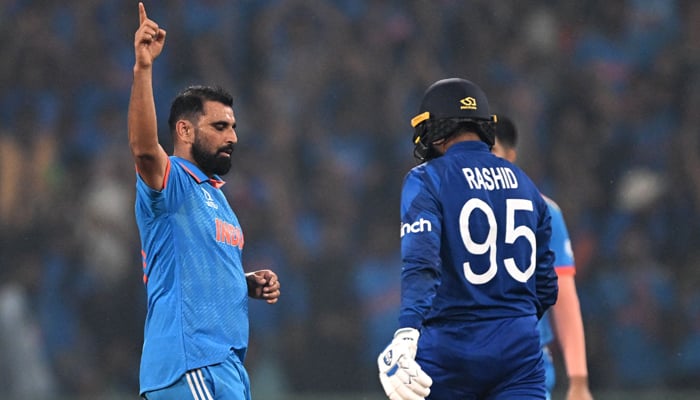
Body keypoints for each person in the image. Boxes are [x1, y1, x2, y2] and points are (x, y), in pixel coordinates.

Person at [128, 3, 281, 399]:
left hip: (224, 366)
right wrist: (143, 68)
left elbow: (192, 266)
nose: (232, 137)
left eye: (233, 127)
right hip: (192, 364)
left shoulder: (215, 197)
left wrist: (241, 283)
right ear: (184, 130)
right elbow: (145, 151)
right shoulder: (174, 183)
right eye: (219, 126)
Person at [377, 78, 558, 400]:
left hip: (451, 346)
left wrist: (407, 331)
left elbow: (422, 264)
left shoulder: (426, 178)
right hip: (520, 347)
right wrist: (510, 322)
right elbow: (546, 283)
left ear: (435, 128)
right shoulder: (525, 183)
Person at [493, 116, 594, 400]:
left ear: (510, 157)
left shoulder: (544, 212)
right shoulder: (443, 212)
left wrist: (578, 379)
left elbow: (563, 297)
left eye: (491, 153)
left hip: (521, 371)